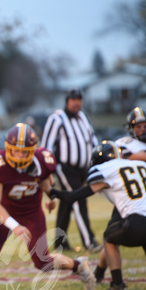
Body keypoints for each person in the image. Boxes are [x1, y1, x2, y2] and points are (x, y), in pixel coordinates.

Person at [0, 123, 96, 290]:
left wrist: (50, 197)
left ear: (32, 150)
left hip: (31, 213)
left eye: (24, 151)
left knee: (42, 262)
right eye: (16, 151)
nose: (19, 155)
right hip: (3, 214)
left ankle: (79, 265)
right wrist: (16, 226)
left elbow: (45, 180)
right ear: (7, 148)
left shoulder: (42, 160)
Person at [49, 140, 146, 290]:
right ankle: (101, 275)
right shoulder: (138, 165)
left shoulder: (107, 170)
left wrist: (51, 191)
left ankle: (117, 287)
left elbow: (73, 196)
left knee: (109, 237)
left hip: (137, 223)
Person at [91, 107, 146, 283]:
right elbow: (135, 157)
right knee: (112, 237)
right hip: (129, 197)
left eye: (144, 125)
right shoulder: (126, 144)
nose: (141, 129)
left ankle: (98, 273)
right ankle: (100, 273)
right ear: (131, 129)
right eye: (137, 126)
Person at [40, 88, 100, 252]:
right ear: (67, 101)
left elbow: (93, 141)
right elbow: (46, 146)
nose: (77, 103)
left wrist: (98, 160)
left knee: (67, 201)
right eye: (74, 100)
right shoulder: (57, 118)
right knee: (79, 199)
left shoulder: (83, 117)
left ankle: (60, 243)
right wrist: (47, 170)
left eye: (79, 100)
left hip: (83, 169)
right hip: (65, 167)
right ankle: (89, 241)